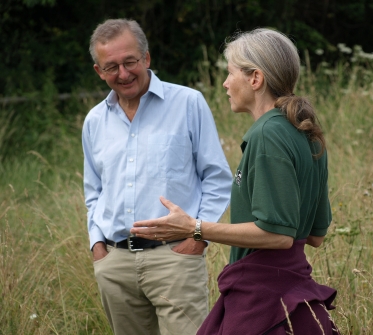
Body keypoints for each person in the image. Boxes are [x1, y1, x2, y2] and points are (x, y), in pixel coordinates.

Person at [131, 28, 340, 335]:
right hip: (294, 294)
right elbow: (314, 235)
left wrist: (194, 227)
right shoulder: (305, 132)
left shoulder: (267, 134)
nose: (226, 84)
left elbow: (278, 235)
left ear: (255, 79)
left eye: (230, 74)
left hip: (265, 300)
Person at [82, 18, 233, 335]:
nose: (123, 74)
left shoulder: (188, 103)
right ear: (99, 71)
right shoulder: (94, 121)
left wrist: (198, 238)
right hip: (114, 264)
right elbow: (93, 191)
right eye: (111, 67)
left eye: (130, 62)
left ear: (146, 58)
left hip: (175, 259)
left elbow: (217, 178)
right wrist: (98, 245)